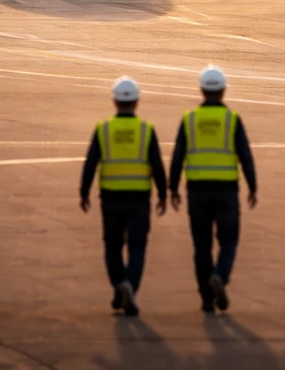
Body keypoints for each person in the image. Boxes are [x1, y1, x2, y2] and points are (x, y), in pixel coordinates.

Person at [169, 64, 257, 313]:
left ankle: (207, 298)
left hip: (197, 191)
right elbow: (245, 155)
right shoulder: (231, 119)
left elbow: (178, 157)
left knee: (202, 246)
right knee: (228, 240)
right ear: (224, 91)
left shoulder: (190, 119)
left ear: (201, 89)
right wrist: (252, 185)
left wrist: (172, 189)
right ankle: (221, 275)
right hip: (226, 190)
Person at [79, 76, 167, 317]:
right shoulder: (145, 130)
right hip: (139, 197)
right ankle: (130, 286)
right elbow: (157, 165)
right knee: (137, 247)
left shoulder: (103, 129)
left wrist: (84, 192)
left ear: (114, 101)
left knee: (113, 245)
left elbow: (91, 163)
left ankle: (119, 284)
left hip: (111, 197)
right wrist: (163, 193)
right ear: (136, 102)